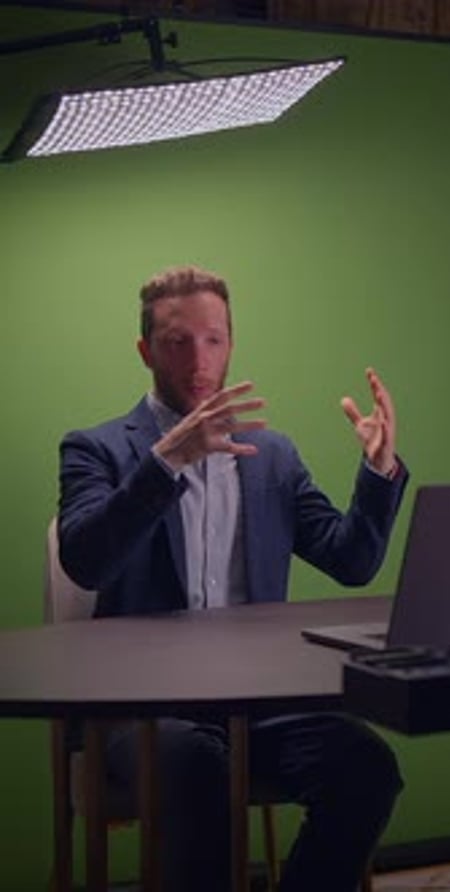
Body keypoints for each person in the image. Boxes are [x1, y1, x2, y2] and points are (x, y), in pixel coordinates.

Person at [58, 264, 409, 892]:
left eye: (214, 339)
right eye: (177, 341)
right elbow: (85, 560)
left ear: (231, 343)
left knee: (368, 766)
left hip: (258, 710)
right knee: (198, 768)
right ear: (145, 351)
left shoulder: (272, 456)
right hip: (141, 715)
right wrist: (165, 463)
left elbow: (351, 561)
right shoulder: (96, 448)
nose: (200, 358)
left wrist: (378, 472)